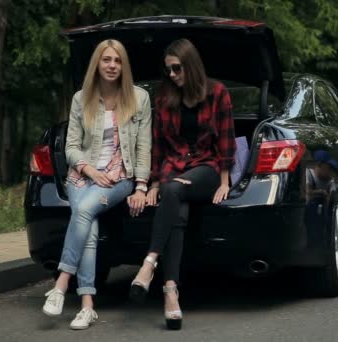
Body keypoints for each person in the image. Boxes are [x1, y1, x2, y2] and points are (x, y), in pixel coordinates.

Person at [42, 39, 152, 329]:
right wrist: (89, 169)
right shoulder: (82, 99)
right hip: (83, 175)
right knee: (87, 225)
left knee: (84, 212)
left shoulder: (139, 98)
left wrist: (141, 185)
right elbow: (71, 147)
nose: (112, 65)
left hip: (118, 178)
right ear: (97, 64)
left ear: (124, 66)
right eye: (106, 60)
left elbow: (143, 146)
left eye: (117, 60)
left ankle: (61, 284)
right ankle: (88, 305)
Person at [128, 38, 235, 330]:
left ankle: (149, 263)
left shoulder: (217, 94)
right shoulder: (164, 99)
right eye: (168, 71)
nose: (172, 75)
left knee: (174, 190)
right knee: (177, 206)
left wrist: (224, 181)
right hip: (174, 171)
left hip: (207, 169)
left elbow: (225, 140)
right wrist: (153, 184)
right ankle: (170, 292)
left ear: (190, 65)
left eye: (177, 69)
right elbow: (159, 148)